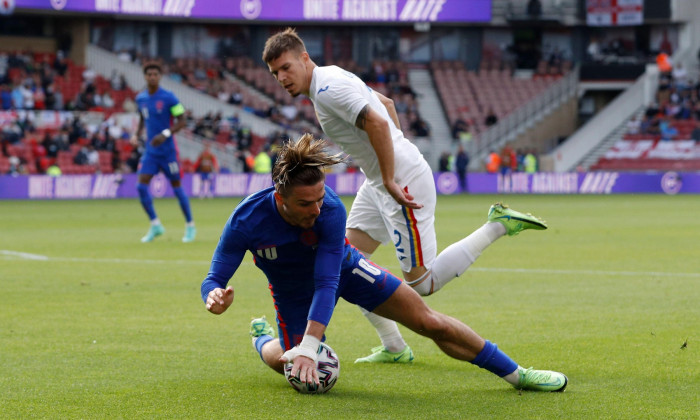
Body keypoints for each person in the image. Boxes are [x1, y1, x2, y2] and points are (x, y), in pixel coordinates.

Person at [263, 28, 549, 363]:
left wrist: (391, 173)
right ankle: (395, 347)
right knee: (345, 262)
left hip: (398, 181)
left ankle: (497, 225)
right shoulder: (329, 79)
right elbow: (386, 104)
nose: (282, 77)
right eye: (275, 73)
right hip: (383, 179)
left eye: (286, 67)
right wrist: (393, 158)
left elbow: (379, 123)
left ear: (304, 58)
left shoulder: (326, 90)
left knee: (423, 284)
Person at [200, 135, 567, 392]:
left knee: (428, 321)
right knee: (286, 362)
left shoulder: (329, 209)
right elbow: (214, 276)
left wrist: (312, 346)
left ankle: (518, 375)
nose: (317, 209)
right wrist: (213, 296)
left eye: (320, 199)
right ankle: (262, 338)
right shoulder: (246, 220)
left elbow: (328, 281)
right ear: (280, 197)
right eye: (305, 203)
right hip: (291, 291)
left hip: (345, 269)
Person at [131, 63, 196, 243]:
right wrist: (136, 135)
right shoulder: (141, 98)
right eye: (149, 74)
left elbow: (182, 120)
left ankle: (190, 226)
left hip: (168, 151)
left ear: (160, 76)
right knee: (140, 186)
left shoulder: (169, 98)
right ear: (145, 77)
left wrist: (165, 134)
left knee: (177, 187)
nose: (152, 77)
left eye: (155, 74)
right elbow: (143, 118)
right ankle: (155, 225)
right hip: (151, 152)